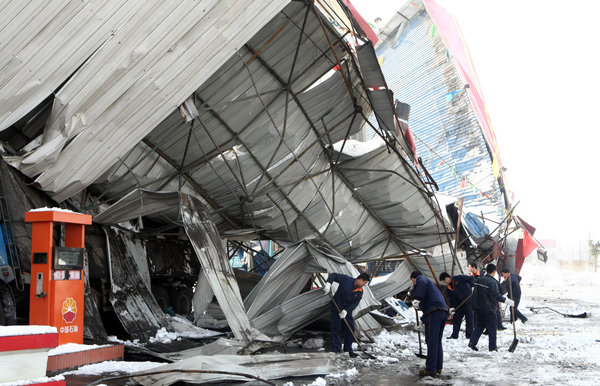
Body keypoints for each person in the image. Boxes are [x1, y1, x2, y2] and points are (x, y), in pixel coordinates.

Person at [468, 263, 514, 352]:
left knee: (480, 326)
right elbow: (496, 295)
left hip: (478, 308)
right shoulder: (492, 282)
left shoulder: (478, 280)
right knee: (492, 328)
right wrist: (507, 301)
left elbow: (474, 293)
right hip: (489, 309)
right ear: (494, 271)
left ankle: (472, 342)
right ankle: (492, 348)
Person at [322, 272, 370, 357]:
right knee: (336, 329)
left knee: (349, 329)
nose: (364, 285)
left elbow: (354, 304)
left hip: (346, 312)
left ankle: (348, 350)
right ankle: (336, 350)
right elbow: (333, 275)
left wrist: (346, 311)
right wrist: (328, 284)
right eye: (364, 282)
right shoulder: (347, 280)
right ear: (359, 280)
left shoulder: (360, 291)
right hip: (336, 308)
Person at [411, 270, 449, 377]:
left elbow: (419, 291)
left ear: (414, 278)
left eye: (413, 282)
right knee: (437, 340)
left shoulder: (421, 279)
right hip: (442, 311)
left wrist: (417, 297)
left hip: (434, 312)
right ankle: (438, 367)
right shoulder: (431, 285)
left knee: (431, 340)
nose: (414, 284)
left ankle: (431, 369)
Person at [440, 272, 475, 339]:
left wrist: (472, 286)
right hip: (459, 305)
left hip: (468, 301)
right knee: (456, 319)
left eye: (444, 280)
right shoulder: (449, 289)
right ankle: (454, 335)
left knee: (469, 319)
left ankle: (469, 335)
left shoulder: (458, 278)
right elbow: (452, 299)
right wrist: (453, 307)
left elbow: (471, 279)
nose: (445, 282)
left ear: (447, 278)